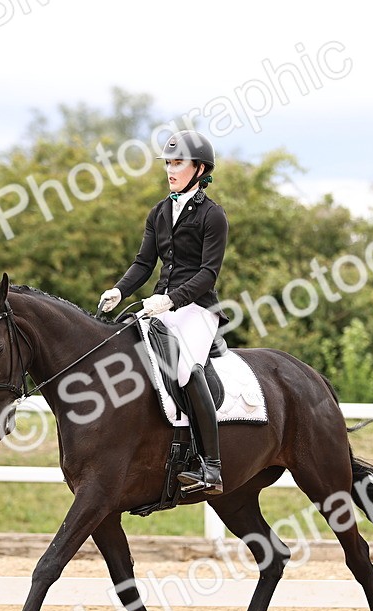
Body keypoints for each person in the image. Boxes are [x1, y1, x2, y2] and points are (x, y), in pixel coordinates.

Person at [98, 130, 228, 495]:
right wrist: (120, 290)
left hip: (198, 308)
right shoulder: (159, 212)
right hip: (161, 305)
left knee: (185, 367)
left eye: (178, 163)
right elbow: (144, 263)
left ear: (200, 169)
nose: (170, 170)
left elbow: (208, 274)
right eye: (168, 163)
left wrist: (171, 300)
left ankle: (211, 467)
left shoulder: (213, 215)